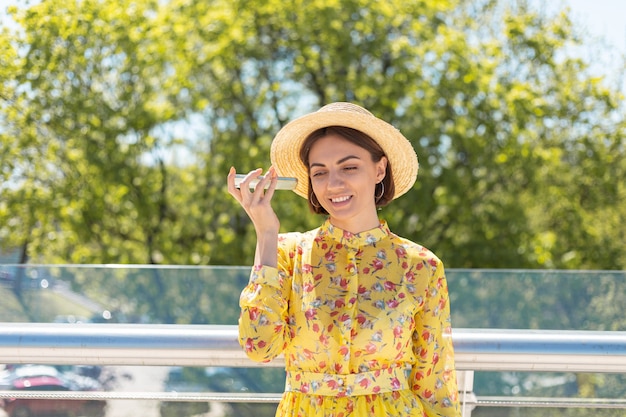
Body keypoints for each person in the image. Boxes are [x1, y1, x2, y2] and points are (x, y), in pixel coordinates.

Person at [227, 102, 461, 416]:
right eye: (320, 172)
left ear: (379, 169)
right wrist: (266, 232)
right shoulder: (286, 253)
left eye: (349, 167)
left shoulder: (421, 266)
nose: (333, 184)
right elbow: (259, 347)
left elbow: (435, 383)